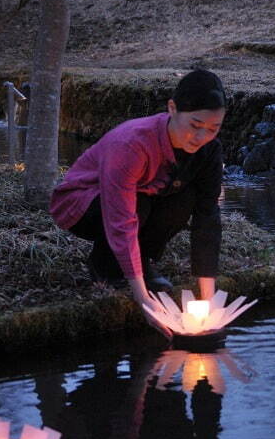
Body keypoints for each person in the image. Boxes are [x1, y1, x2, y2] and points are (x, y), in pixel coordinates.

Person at [49, 69, 225, 311]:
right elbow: (121, 218)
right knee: (136, 205)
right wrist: (143, 299)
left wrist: (208, 298)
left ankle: (142, 260)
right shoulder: (132, 143)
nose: (201, 136)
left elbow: (207, 215)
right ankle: (105, 264)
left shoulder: (209, 150)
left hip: (148, 196)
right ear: (172, 108)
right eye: (195, 125)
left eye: (213, 129)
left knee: (186, 199)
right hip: (84, 202)